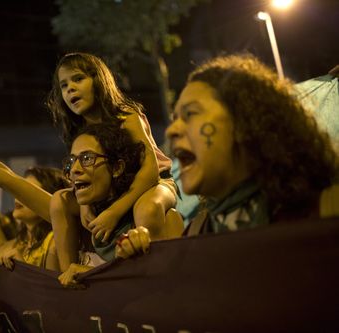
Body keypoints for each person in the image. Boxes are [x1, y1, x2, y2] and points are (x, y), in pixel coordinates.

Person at [118, 53, 339, 257]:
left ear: (245, 123)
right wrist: (142, 264)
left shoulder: (326, 209)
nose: (172, 130)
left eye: (191, 114)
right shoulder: (198, 232)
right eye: (175, 118)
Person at [46, 52, 181, 271]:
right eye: (63, 85)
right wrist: (84, 205)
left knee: (147, 208)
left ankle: (155, 273)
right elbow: (79, 174)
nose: (70, 88)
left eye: (78, 79)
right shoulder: (78, 130)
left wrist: (114, 212)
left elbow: (150, 169)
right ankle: (69, 275)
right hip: (113, 190)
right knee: (59, 200)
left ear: (98, 80)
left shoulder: (126, 116)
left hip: (156, 183)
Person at [56, 123, 184, 286]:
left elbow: (171, 287)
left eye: (87, 159)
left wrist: (93, 275)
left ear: (117, 168)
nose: (75, 169)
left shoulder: (164, 219)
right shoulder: (79, 229)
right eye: (72, 161)